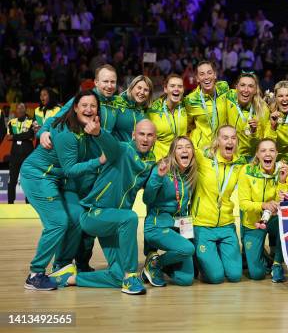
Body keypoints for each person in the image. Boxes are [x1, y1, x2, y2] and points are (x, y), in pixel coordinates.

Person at [20, 91, 106, 290]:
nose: (88, 109)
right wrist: (99, 161)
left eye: (93, 106)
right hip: (38, 175)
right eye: (84, 105)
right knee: (58, 222)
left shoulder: (86, 129)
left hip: (57, 178)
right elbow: (71, 170)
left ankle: (62, 265)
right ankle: (35, 273)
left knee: (76, 218)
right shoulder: (67, 133)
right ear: (74, 107)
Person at [66, 119, 158, 295]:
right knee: (130, 217)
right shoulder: (123, 150)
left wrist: (161, 176)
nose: (145, 139)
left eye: (149, 135)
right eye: (141, 134)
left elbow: (150, 194)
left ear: (155, 138)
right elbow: (111, 145)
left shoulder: (150, 163)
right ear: (133, 135)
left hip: (114, 223)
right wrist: (99, 133)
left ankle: (72, 278)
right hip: (94, 214)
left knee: (117, 276)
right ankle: (132, 276)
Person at [238, 139, 288, 283]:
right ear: (257, 154)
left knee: (284, 221)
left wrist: (284, 181)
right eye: (263, 150)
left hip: (273, 219)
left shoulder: (283, 169)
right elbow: (243, 204)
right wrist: (263, 205)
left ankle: (277, 263)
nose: (268, 154)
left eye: (272, 150)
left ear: (277, 153)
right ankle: (266, 258)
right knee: (256, 274)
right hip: (253, 223)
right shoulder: (246, 171)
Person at [192, 126, 248, 284]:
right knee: (216, 277)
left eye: (233, 138)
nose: (230, 141)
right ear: (217, 141)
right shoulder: (204, 158)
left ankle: (214, 254)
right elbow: (182, 150)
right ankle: (199, 257)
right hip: (203, 225)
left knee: (235, 276)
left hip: (226, 225)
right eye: (225, 137)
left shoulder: (240, 164)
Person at [141, 136, 197, 287]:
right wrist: (158, 177)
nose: (184, 150)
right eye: (179, 147)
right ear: (172, 153)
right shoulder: (162, 169)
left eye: (188, 147)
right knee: (187, 249)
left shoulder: (190, 174)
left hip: (181, 223)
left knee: (185, 280)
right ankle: (154, 263)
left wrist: (188, 232)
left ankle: (156, 264)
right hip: (157, 225)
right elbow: (147, 199)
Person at [38, 64, 119, 148]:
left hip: (107, 154)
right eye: (105, 81)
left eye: (113, 82)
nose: (109, 86)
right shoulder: (83, 99)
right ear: (96, 82)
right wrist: (43, 132)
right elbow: (56, 118)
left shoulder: (117, 102)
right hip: (83, 155)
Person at [184, 60, 230, 149]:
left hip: (223, 146)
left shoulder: (224, 87)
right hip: (203, 149)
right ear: (197, 78)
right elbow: (187, 126)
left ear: (215, 75)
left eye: (209, 73)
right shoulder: (191, 100)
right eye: (202, 74)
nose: (206, 77)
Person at [226, 72, 270, 158]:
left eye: (250, 86)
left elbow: (265, 139)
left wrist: (254, 132)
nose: (246, 90)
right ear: (236, 87)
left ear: (255, 90)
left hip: (252, 158)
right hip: (230, 156)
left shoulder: (262, 109)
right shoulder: (228, 99)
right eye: (242, 85)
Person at [148, 74, 188, 161]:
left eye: (180, 86)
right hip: (160, 160)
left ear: (183, 90)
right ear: (165, 89)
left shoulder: (186, 107)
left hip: (181, 160)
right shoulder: (153, 110)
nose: (176, 89)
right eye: (172, 86)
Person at [6, 103, 35, 204]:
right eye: (18, 108)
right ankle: (10, 203)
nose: (20, 110)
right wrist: (24, 136)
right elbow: (9, 137)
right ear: (16, 110)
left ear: (25, 109)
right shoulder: (11, 122)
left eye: (22, 108)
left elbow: (31, 134)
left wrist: (15, 137)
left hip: (28, 156)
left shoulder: (31, 121)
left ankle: (28, 203)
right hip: (14, 156)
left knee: (27, 180)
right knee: (12, 181)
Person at [113, 75, 154, 142]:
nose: (142, 92)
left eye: (146, 90)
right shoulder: (117, 103)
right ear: (132, 88)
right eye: (139, 88)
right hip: (118, 150)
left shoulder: (147, 111)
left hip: (138, 152)